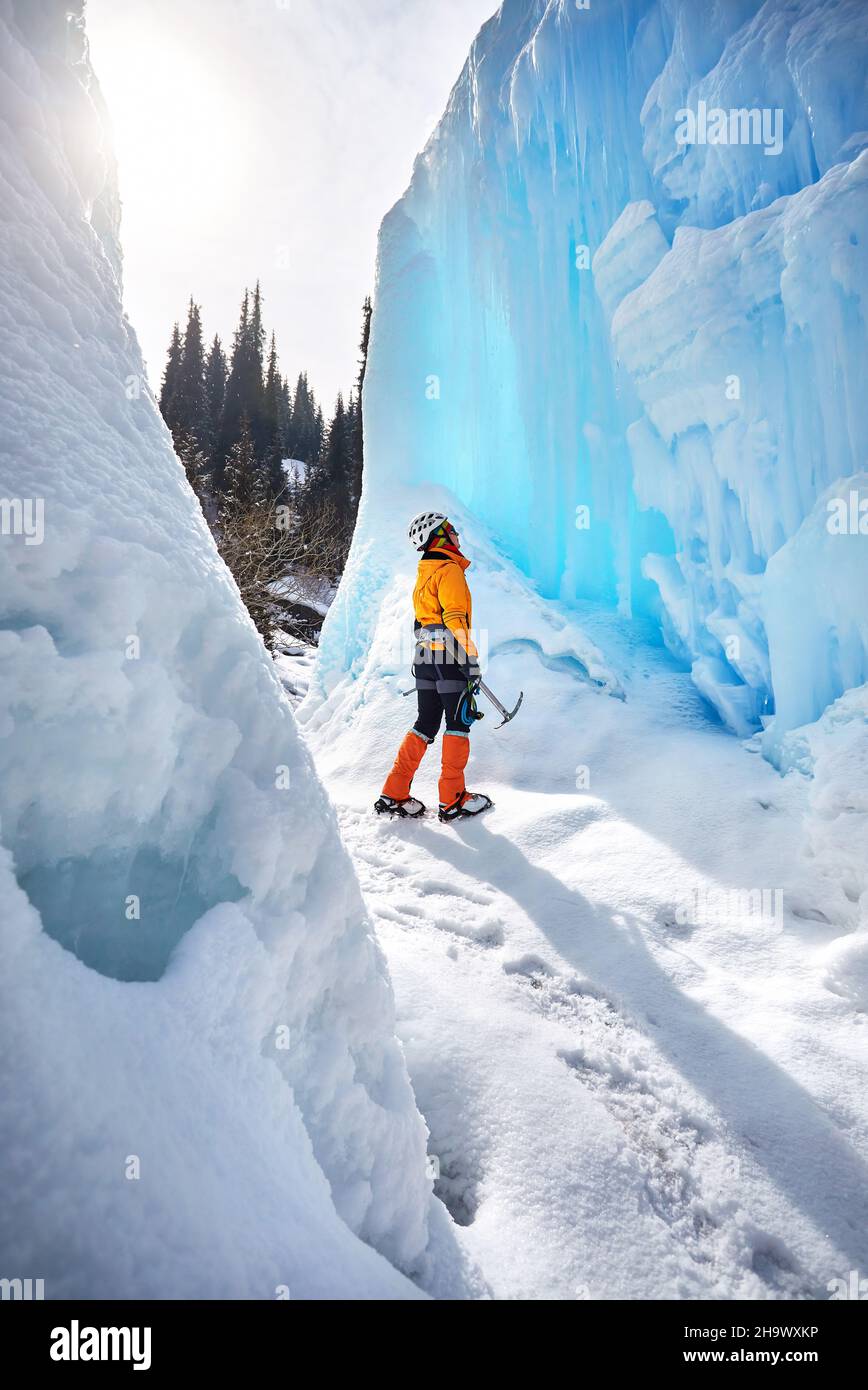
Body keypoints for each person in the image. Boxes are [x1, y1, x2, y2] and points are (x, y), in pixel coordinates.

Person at [375, 511, 492, 822]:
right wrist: (469, 659)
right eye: (451, 530)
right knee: (458, 722)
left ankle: (394, 792)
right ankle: (453, 800)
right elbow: (455, 618)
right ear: (438, 537)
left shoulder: (424, 573)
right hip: (449, 657)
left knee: (425, 723)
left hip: (425, 658)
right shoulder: (449, 570)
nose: (457, 535)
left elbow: (421, 621)